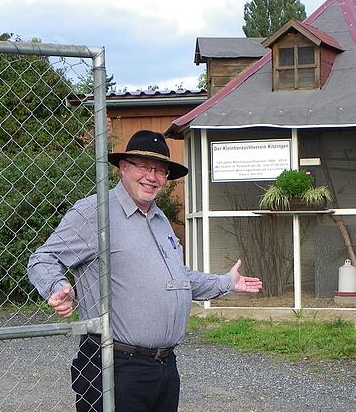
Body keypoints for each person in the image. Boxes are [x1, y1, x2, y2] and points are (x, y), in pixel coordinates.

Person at [27, 130, 263, 412]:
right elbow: (42, 258)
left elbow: (178, 278)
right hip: (113, 366)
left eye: (161, 171)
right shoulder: (95, 212)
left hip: (164, 367)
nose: (153, 177)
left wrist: (225, 282)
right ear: (123, 167)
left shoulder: (159, 218)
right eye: (144, 167)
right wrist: (56, 287)